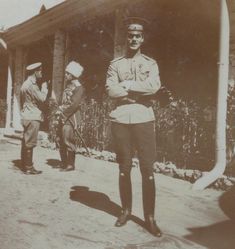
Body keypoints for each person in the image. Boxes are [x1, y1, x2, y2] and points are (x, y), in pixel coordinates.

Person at [106, 17, 162, 237]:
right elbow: (111, 91)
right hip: (120, 119)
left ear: (142, 38)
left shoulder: (151, 63)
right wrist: (138, 90)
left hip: (144, 118)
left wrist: (127, 86)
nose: (134, 39)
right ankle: (126, 210)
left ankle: (149, 218)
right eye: (130, 35)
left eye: (138, 36)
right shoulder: (115, 64)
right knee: (124, 168)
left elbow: (154, 87)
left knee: (147, 170)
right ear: (125, 38)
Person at [55, 61, 85, 172]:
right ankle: (63, 162)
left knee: (68, 140)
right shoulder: (68, 86)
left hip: (71, 118)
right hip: (62, 116)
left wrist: (63, 113)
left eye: (68, 73)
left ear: (73, 75)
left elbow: (74, 104)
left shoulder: (78, 88)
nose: (66, 75)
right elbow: (63, 101)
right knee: (60, 139)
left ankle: (70, 165)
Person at [20, 62, 48, 175]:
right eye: (40, 71)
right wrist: (45, 88)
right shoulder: (32, 85)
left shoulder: (25, 84)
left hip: (26, 115)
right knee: (30, 142)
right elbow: (42, 98)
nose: (42, 73)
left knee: (26, 141)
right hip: (33, 116)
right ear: (35, 72)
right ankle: (28, 167)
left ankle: (24, 164)